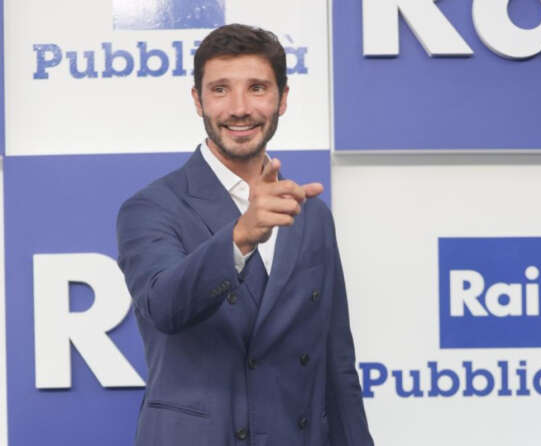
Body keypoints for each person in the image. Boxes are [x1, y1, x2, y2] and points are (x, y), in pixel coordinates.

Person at [117, 23, 373, 446]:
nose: (239, 108)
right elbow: (164, 306)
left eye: (257, 88)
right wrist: (239, 238)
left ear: (282, 99)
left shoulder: (312, 217)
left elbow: (337, 364)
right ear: (198, 100)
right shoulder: (149, 208)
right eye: (220, 90)